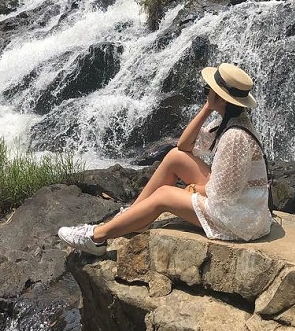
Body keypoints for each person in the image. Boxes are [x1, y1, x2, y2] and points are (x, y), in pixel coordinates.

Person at [58, 63, 272, 255]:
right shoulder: (230, 122)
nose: (205, 93)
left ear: (221, 98)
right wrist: (208, 107)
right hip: (241, 201)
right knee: (175, 157)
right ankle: (133, 217)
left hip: (239, 218)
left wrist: (192, 190)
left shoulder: (235, 136)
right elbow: (184, 146)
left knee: (164, 195)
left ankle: (96, 237)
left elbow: (224, 195)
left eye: (208, 91)